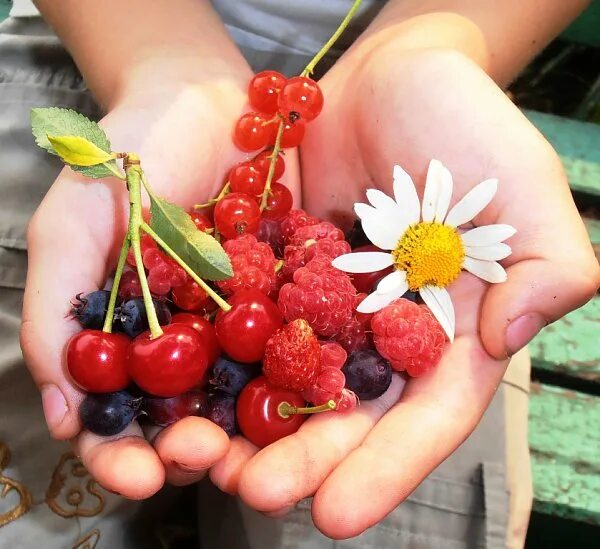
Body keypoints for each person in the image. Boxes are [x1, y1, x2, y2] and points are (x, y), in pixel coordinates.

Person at [1, 0, 598, 547]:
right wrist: (159, 56)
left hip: (430, 103)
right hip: (101, 46)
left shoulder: (340, 307)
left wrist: (434, 44)